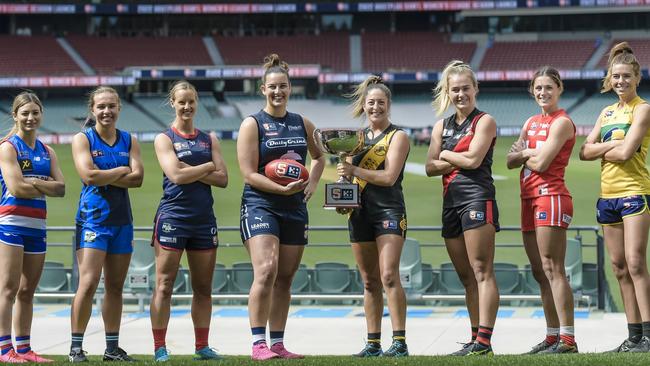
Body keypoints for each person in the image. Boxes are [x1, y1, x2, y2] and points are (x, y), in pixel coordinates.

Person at [237, 54, 324, 360]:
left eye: (283, 86)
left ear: (290, 88)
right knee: (266, 270)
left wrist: (312, 184)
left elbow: (320, 155)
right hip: (261, 204)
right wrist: (280, 189)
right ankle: (258, 343)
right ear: (263, 89)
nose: (278, 92)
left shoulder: (302, 122)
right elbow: (248, 174)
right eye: (272, 87)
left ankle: (277, 344)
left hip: (294, 207)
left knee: (285, 277)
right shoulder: (252, 124)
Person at [425, 60, 500, 356]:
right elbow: (430, 168)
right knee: (466, 276)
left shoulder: (485, 121)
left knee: (482, 271)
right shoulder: (441, 125)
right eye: (455, 89)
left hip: (477, 198)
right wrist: (455, 155)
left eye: (465, 88)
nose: (460, 94)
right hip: (451, 203)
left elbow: (473, 161)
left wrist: (444, 152)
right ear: (448, 91)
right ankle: (474, 339)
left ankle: (485, 341)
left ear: (475, 88)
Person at [150, 80, 228, 362]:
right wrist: (207, 166)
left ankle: (202, 346)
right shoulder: (164, 138)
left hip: (203, 219)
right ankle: (160, 347)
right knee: (164, 284)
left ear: (197, 103)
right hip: (173, 217)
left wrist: (191, 168)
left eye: (191, 101)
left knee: (203, 287)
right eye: (181, 101)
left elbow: (223, 179)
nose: (186, 106)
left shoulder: (209, 139)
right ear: (173, 103)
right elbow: (176, 176)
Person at [580, 41, 650, 353]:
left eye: (626, 76)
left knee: (636, 263)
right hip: (606, 196)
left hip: (634, 193)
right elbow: (584, 151)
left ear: (637, 78)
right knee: (619, 266)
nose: (620, 81)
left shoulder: (643, 109)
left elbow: (624, 153)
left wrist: (603, 148)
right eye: (616, 77)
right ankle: (633, 336)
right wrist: (610, 147)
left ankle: (648, 336)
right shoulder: (606, 112)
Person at [336, 76, 410, 357]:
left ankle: (400, 342)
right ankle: (373, 344)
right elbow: (350, 184)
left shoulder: (398, 136)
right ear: (364, 106)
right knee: (369, 281)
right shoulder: (355, 140)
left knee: (389, 275)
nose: (376, 107)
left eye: (381, 102)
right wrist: (343, 201)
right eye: (371, 103)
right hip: (360, 214)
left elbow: (389, 177)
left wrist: (354, 171)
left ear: (388, 105)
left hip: (389, 211)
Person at [507, 66, 578, 353]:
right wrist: (526, 154)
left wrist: (525, 154)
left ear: (559, 89)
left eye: (549, 87)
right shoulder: (531, 121)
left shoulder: (562, 122)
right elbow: (511, 160)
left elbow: (543, 163)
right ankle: (551, 336)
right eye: (538, 88)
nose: (543, 92)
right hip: (528, 197)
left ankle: (568, 339)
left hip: (551, 196)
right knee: (539, 271)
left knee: (553, 268)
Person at [70, 86, 143, 362]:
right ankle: (76, 347)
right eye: (101, 106)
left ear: (119, 109)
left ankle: (112, 349)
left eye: (111, 106)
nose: (106, 111)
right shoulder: (83, 139)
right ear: (93, 109)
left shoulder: (129, 140)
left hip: (122, 220)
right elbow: (88, 175)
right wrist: (121, 170)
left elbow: (138, 180)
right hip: (93, 221)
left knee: (115, 287)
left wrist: (106, 175)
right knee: (87, 284)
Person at [0, 92, 65, 363]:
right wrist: (42, 183)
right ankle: (4, 350)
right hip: (11, 224)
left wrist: (33, 183)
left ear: (41, 115)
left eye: (35, 113)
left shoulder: (47, 151)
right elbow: (16, 188)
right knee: (8, 288)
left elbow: (60, 188)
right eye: (24, 113)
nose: (30, 118)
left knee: (28, 291)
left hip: (37, 226)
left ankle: (24, 349)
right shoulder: (7, 147)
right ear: (15, 115)